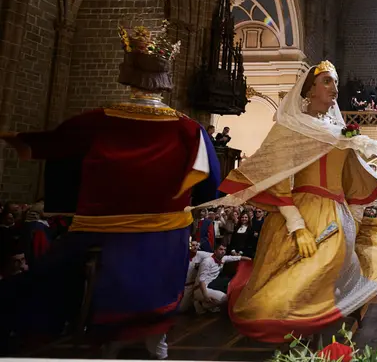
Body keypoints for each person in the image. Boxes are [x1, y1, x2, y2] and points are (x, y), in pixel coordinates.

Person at [0, 22, 220, 358]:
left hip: (101, 230)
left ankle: (97, 332)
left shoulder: (98, 120)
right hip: (164, 234)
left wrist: (19, 141)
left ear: (128, 72)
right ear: (165, 79)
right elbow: (209, 182)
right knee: (166, 258)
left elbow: (56, 146)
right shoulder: (189, 129)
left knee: (48, 272)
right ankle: (156, 334)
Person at [200, 61, 377, 342]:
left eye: (335, 82)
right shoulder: (291, 128)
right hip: (302, 216)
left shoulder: (341, 133)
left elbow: (353, 180)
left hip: (340, 218)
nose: (334, 88)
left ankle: (325, 343)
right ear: (309, 89)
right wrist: (297, 226)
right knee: (282, 298)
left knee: (328, 283)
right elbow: (277, 180)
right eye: (326, 81)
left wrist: (356, 218)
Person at [193, 244, 247, 314]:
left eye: (224, 250)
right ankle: (201, 304)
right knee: (224, 298)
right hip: (200, 288)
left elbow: (238, 258)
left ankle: (205, 304)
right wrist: (205, 295)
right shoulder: (207, 261)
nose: (223, 251)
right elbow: (201, 280)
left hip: (212, 285)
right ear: (215, 251)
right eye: (221, 249)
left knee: (230, 286)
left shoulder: (223, 258)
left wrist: (253, 261)